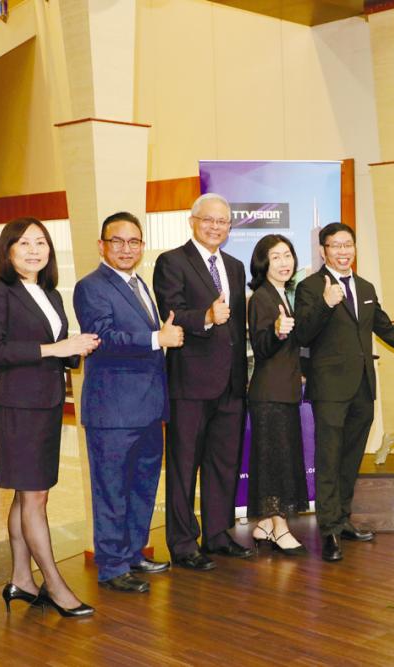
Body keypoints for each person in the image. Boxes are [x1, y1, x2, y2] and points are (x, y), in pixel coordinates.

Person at [294, 223, 394, 562]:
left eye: (348, 244)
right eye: (335, 245)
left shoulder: (364, 287)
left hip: (363, 388)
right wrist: (324, 303)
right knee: (329, 460)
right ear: (323, 251)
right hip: (331, 390)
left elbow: (386, 329)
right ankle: (329, 531)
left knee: (351, 459)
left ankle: (344, 519)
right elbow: (302, 334)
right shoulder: (309, 287)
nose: (343, 251)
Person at [0, 218, 100, 617]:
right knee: (36, 496)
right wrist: (56, 347)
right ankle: (55, 585)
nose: (33, 249)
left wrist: (76, 348)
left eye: (41, 242)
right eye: (24, 243)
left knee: (27, 493)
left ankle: (21, 580)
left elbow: (56, 348)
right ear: (8, 251)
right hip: (17, 406)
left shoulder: (50, 293)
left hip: (45, 404)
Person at [74, 212, 185, 592]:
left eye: (134, 241)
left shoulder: (140, 284)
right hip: (114, 411)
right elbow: (103, 337)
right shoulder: (91, 287)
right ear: (101, 245)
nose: (126, 248)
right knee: (111, 490)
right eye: (117, 241)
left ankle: (134, 552)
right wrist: (158, 339)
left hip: (150, 408)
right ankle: (111, 566)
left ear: (141, 246)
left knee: (142, 486)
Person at [153, 193, 252, 570]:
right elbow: (171, 311)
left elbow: (239, 327)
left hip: (230, 384)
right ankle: (182, 543)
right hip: (190, 384)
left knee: (223, 464)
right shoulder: (172, 262)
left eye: (223, 221)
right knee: (183, 465)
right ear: (192, 221)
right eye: (208, 219)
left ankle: (216, 535)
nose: (216, 226)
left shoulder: (236, 266)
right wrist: (207, 316)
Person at [246, 234, 308, 556]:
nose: (284, 262)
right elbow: (261, 346)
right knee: (274, 464)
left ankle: (265, 527)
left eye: (288, 255)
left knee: (284, 461)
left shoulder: (284, 294)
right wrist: (276, 331)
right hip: (268, 395)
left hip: (285, 392)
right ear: (263, 262)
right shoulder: (261, 298)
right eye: (276, 257)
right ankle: (279, 527)